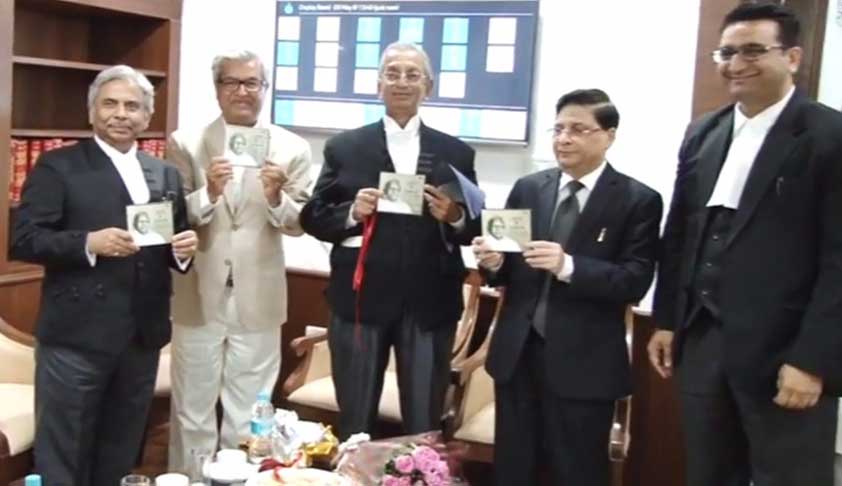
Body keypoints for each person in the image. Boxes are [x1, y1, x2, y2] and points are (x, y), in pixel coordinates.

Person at [648, 3, 842, 485]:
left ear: (792, 57)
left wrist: (813, 361)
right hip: (703, 342)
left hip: (785, 352)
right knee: (708, 473)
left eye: (753, 51)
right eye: (727, 52)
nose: (736, 64)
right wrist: (667, 320)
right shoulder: (704, 132)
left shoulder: (829, 135)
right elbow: (680, 234)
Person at [11, 65, 197, 486]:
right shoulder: (58, 166)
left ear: (147, 116)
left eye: (132, 106)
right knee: (64, 452)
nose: (121, 114)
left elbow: (170, 242)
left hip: (141, 337)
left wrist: (183, 252)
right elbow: (24, 240)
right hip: (76, 337)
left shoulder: (164, 173)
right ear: (92, 111)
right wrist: (87, 243)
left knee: (120, 449)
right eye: (110, 104)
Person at [473, 89, 662, 486]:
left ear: (609, 135)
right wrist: (494, 264)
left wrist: (569, 266)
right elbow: (509, 268)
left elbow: (634, 281)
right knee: (512, 469)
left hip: (585, 363)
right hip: (518, 355)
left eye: (578, 129)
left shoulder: (638, 200)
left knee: (578, 471)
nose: (564, 139)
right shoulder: (528, 188)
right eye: (558, 129)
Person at [300, 42, 478, 439]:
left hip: (430, 303)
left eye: (413, 75)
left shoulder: (456, 152)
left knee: (423, 422)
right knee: (355, 422)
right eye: (392, 73)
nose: (402, 82)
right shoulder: (344, 148)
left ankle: (421, 471)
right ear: (378, 84)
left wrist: (453, 216)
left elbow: (476, 227)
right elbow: (313, 217)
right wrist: (352, 212)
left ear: (428, 86)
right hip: (360, 301)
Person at [166, 50, 312, 471]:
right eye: (231, 82)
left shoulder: (292, 148)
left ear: (265, 89)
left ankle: (240, 479)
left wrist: (276, 196)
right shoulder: (186, 142)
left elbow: (300, 223)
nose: (242, 91)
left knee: (249, 413)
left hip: (259, 296)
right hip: (197, 292)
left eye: (252, 83)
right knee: (192, 409)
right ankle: (191, 480)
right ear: (217, 89)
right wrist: (208, 193)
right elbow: (171, 216)